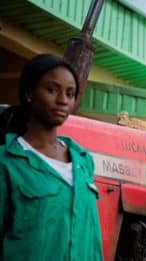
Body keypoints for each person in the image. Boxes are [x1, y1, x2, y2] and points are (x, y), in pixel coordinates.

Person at [0, 54, 103, 260]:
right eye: (52, 90)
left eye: (70, 93)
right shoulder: (7, 162)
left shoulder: (83, 161)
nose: (63, 100)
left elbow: (92, 240)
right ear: (29, 93)